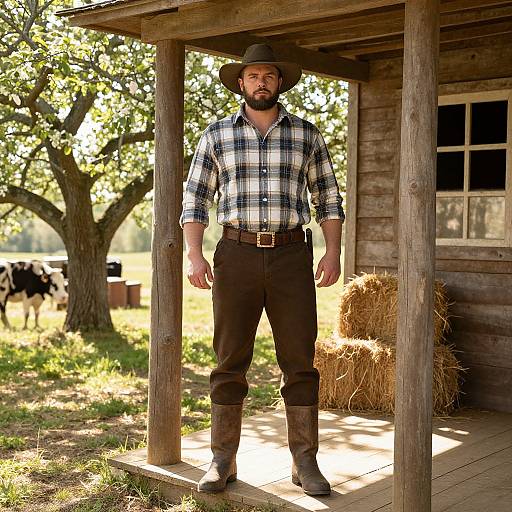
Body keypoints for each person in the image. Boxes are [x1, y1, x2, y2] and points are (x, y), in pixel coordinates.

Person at [179, 44, 345, 496]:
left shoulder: (307, 135)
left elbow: (328, 198)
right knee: (229, 360)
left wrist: (333, 252)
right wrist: (194, 255)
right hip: (236, 256)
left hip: (293, 257)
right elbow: (194, 200)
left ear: (279, 82)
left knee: (300, 361)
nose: (261, 83)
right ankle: (222, 459)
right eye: (253, 76)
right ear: (241, 83)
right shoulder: (215, 136)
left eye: (268, 75)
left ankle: (305, 461)